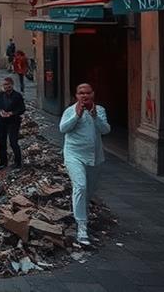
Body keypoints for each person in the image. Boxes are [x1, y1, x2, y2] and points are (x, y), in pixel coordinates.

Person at [59, 83, 110, 246]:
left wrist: (95, 117)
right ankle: (81, 227)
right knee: (80, 186)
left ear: (93, 94)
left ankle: (82, 215)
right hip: (74, 155)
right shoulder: (70, 110)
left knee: (88, 191)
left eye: (87, 93)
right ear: (76, 96)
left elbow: (105, 130)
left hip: (95, 157)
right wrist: (77, 115)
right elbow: (63, 129)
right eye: (81, 93)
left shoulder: (99, 110)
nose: (84, 96)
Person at [0, 77, 26, 170]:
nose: (6, 86)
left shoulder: (17, 96)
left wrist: (11, 113)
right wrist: (0, 112)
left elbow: (22, 109)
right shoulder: (0, 95)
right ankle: (3, 162)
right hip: (2, 121)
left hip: (13, 122)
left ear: (12, 85)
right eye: (4, 85)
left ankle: (18, 163)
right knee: (2, 142)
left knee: (13, 142)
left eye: (8, 84)